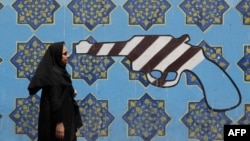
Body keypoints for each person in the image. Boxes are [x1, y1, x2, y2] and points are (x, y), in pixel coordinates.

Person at [28, 42, 82, 141]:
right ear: (57, 56)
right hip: (57, 123)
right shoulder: (55, 76)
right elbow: (55, 101)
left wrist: (70, 93)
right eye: (64, 54)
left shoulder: (59, 72)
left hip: (65, 117)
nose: (68, 56)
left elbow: (61, 93)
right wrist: (60, 124)